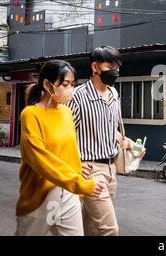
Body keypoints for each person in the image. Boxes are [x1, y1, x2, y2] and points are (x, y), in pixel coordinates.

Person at [15, 60, 107, 236]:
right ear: (47, 85)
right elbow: (40, 159)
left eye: (73, 84)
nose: (70, 89)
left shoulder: (67, 112)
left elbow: (71, 152)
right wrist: (80, 183)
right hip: (40, 195)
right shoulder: (31, 114)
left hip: (68, 193)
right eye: (65, 84)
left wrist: (79, 177)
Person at [68, 46, 146, 236]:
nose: (115, 71)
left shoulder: (114, 94)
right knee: (109, 230)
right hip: (90, 171)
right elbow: (65, 133)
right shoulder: (78, 96)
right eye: (109, 65)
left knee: (92, 227)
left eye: (117, 66)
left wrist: (129, 144)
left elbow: (112, 131)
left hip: (111, 170)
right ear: (95, 67)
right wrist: (76, 165)